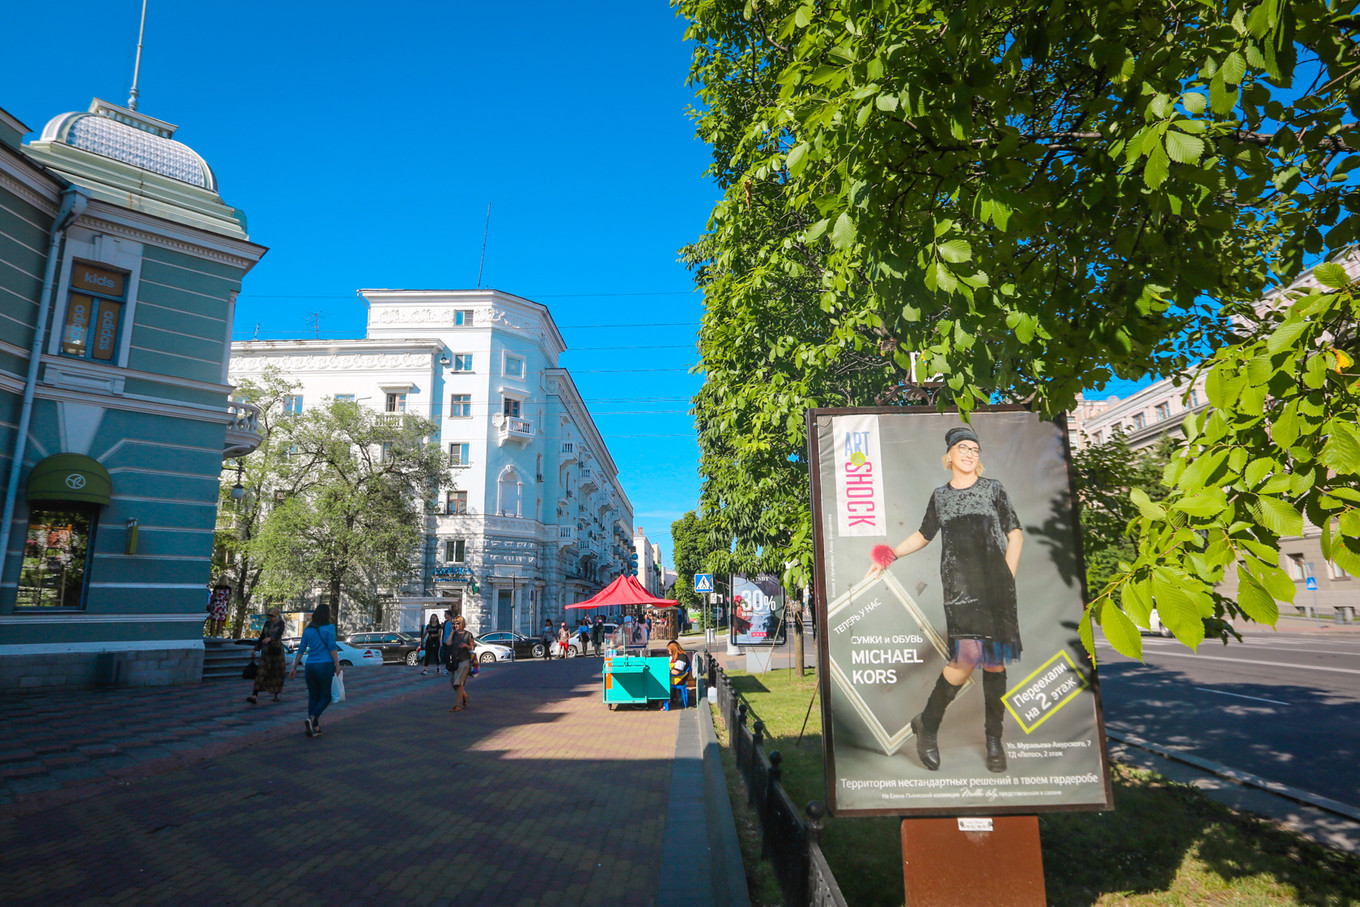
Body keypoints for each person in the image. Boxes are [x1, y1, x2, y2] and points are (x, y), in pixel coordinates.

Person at [867, 425, 1023, 774]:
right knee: (967, 657)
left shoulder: (993, 490)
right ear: (950, 455)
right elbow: (923, 535)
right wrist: (887, 555)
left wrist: (1007, 578)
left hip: (997, 586)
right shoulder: (940, 497)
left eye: (975, 449)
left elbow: (1014, 533)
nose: (970, 454)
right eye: (963, 448)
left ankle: (994, 740)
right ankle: (928, 725)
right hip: (959, 588)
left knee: (995, 662)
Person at [288, 604, 342, 737]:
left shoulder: (308, 630)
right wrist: (337, 663)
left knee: (313, 696)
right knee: (327, 696)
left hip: (310, 665)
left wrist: (294, 667)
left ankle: (315, 727)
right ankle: (312, 718)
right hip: (325, 665)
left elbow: (301, 649)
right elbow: (332, 647)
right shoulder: (330, 628)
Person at [246, 606, 287, 704]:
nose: (270, 619)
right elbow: (262, 637)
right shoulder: (267, 624)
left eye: (271, 617)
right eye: (268, 618)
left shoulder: (281, 623)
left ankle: (277, 693)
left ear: (276, 616)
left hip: (277, 652)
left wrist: (271, 638)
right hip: (266, 651)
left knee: (277, 672)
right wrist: (256, 648)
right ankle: (254, 695)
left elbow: (278, 634)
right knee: (261, 671)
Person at [447, 615, 475, 712]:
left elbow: (472, 647)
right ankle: (465, 696)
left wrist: (466, 646)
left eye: (457, 623)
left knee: (459, 682)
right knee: (453, 683)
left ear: (462, 623)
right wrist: (452, 632)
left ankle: (457, 705)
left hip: (465, 660)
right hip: (454, 661)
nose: (456, 625)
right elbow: (448, 643)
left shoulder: (468, 634)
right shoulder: (454, 634)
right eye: (454, 624)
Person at [666, 640, 691, 710]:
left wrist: (668, 671)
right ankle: (665, 701)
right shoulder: (673, 657)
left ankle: (664, 703)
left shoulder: (682, 657)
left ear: (673, 650)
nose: (668, 652)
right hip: (675, 677)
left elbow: (677, 672)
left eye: (669, 650)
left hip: (680, 679)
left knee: (663, 683)